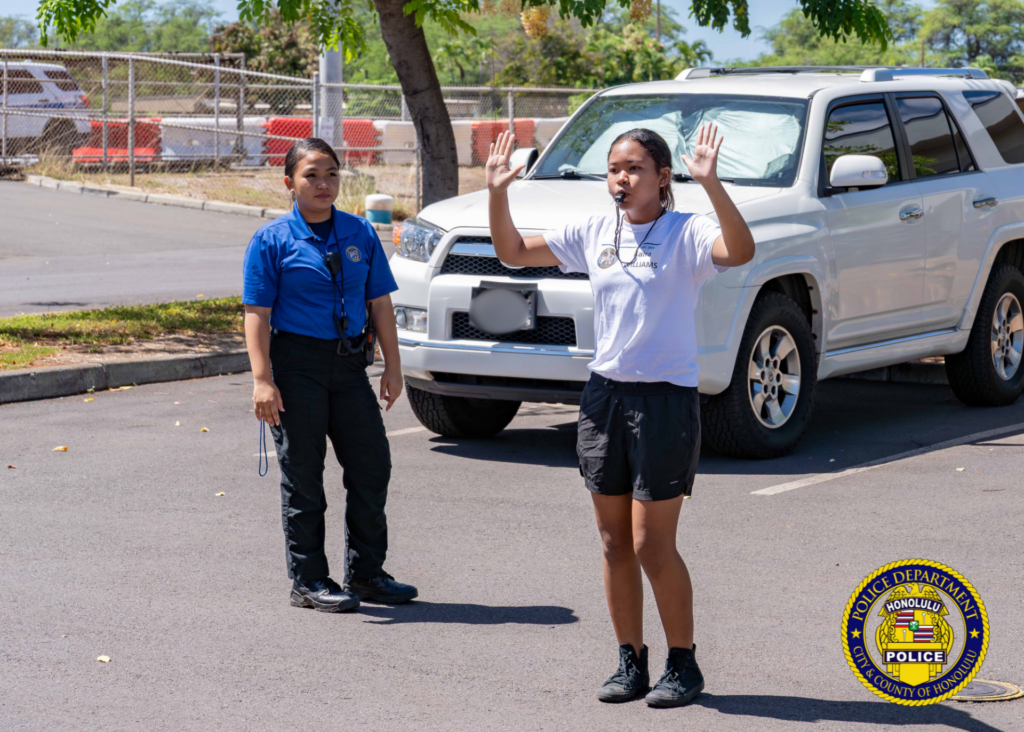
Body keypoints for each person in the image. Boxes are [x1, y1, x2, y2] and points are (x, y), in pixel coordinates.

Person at [487, 126, 754, 707]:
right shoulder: (594, 230)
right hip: (605, 397)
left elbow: (740, 251)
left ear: (663, 177)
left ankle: (683, 664)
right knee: (612, 542)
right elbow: (511, 253)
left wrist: (711, 184)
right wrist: (497, 193)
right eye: (614, 169)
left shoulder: (687, 232)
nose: (621, 178)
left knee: (651, 545)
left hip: (665, 401)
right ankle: (630, 660)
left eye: (634, 168)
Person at [242, 137, 417, 613]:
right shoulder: (272, 240)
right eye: (311, 176)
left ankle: (365, 574)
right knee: (304, 476)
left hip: (348, 364)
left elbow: (380, 303)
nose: (323, 184)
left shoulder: (359, 232)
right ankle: (309, 579)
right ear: (289, 184)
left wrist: (393, 368)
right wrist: (263, 379)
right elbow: (257, 312)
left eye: (332, 174)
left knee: (371, 466)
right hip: (296, 365)